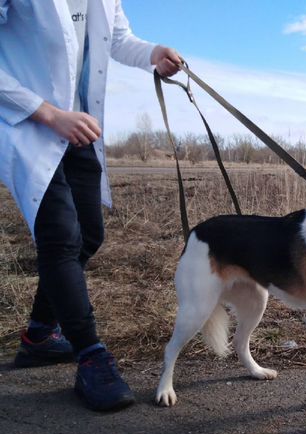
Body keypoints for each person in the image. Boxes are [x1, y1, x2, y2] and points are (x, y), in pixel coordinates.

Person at [0, 0, 181, 411]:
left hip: (79, 127)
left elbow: (117, 39)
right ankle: (91, 355)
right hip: (28, 124)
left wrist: (152, 53)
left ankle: (40, 336)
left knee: (90, 234)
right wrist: (46, 113)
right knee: (61, 238)